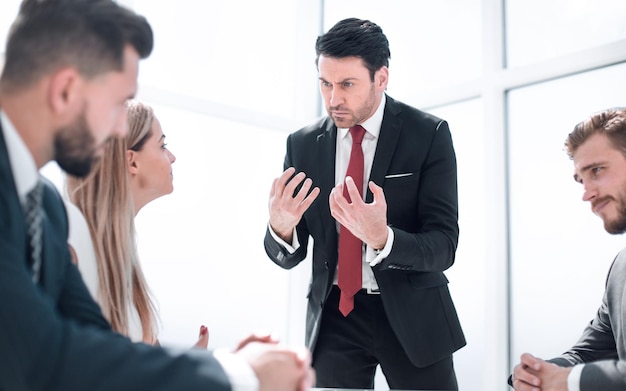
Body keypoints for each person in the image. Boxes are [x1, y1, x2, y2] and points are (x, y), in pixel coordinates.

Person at [0, 1, 313, 390]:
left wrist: (228, 363)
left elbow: (101, 345)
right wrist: (242, 373)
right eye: (118, 104)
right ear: (65, 90)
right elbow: (43, 357)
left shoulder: (46, 207)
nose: (119, 130)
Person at [264, 17, 466, 390]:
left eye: (347, 84)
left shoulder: (429, 134)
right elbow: (288, 254)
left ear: (381, 78)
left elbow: (444, 246)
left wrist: (382, 238)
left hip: (414, 317)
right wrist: (281, 226)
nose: (333, 99)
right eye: (325, 83)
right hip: (335, 317)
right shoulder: (302, 144)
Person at [64, 99, 207, 348]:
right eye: (162, 146)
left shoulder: (122, 252)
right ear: (132, 162)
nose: (172, 157)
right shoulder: (71, 235)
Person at [510, 107, 626, 391]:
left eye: (596, 170)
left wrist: (567, 381)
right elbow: (589, 352)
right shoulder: (620, 270)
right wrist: (537, 374)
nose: (587, 193)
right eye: (581, 180)